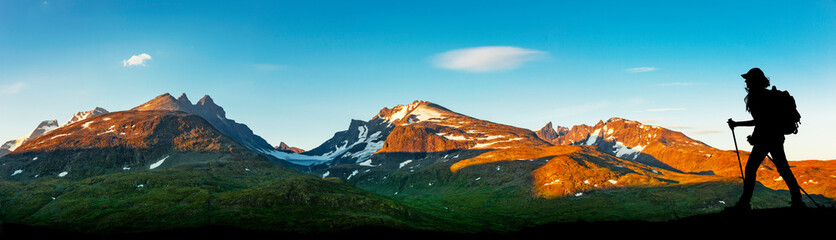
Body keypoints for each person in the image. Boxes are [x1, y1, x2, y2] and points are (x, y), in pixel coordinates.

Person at [726, 67, 805, 211]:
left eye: (748, 79)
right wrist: (747, 131)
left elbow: (761, 121)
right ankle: (798, 202)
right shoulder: (769, 95)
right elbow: (763, 121)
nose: (746, 81)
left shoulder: (757, 97)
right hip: (775, 137)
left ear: (754, 81)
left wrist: (751, 134)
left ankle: (744, 204)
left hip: (766, 138)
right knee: (784, 170)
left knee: (750, 169)